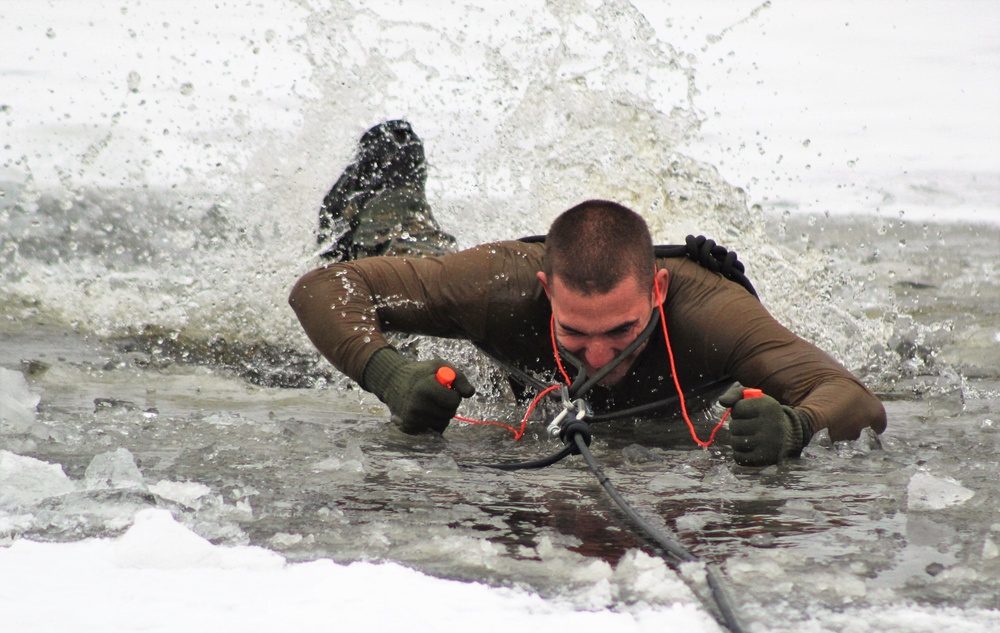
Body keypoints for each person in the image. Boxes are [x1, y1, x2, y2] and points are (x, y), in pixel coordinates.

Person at [289, 120, 887, 466]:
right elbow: (324, 288)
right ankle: (390, 176)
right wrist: (390, 375)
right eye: (575, 332)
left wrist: (797, 427)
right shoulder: (507, 286)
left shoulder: (712, 314)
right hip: (450, 268)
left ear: (656, 290)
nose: (598, 357)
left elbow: (852, 398)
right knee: (391, 248)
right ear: (547, 291)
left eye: (621, 332)